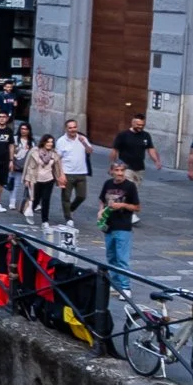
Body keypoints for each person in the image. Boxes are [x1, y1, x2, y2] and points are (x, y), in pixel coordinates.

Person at [98, 159, 142, 295]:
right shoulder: (107, 184)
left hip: (123, 226)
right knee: (111, 257)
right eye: (116, 170)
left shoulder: (130, 186)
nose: (119, 173)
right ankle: (115, 284)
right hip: (109, 225)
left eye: (122, 170)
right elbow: (102, 200)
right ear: (112, 171)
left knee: (122, 259)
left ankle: (125, 287)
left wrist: (122, 205)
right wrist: (100, 211)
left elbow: (137, 207)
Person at [55, 119, 94, 223]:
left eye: (74, 127)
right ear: (66, 129)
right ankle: (68, 218)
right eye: (70, 128)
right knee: (66, 196)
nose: (73, 130)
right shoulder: (61, 141)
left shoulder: (82, 138)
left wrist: (84, 143)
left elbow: (90, 151)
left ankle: (70, 209)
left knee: (82, 196)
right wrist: (61, 174)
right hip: (67, 173)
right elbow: (57, 159)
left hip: (81, 172)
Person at [23, 133, 64, 225]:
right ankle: (29, 212)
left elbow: (58, 167)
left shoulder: (54, 154)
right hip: (36, 180)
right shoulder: (35, 152)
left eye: (51, 142)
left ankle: (45, 220)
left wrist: (60, 178)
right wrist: (27, 179)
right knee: (35, 199)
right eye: (48, 142)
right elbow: (30, 167)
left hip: (49, 179)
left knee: (46, 199)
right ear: (43, 142)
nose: (50, 144)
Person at [112, 113, 162, 182]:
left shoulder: (146, 135)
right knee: (128, 187)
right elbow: (115, 150)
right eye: (138, 125)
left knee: (134, 190)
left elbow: (150, 149)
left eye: (142, 125)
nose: (140, 127)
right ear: (132, 123)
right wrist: (112, 164)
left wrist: (156, 161)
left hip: (140, 168)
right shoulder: (123, 135)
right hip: (126, 167)